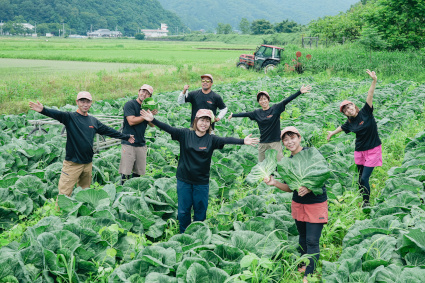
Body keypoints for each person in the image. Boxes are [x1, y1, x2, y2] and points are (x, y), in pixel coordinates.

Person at [140, 108, 259, 233]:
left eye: (207, 121)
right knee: (183, 210)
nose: (204, 123)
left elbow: (226, 140)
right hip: (184, 180)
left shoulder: (211, 139)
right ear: (195, 121)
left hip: (201, 182)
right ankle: (184, 233)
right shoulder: (185, 134)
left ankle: (198, 233)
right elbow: (169, 128)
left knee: (200, 210)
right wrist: (153, 120)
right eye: (202, 120)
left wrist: (243, 141)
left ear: (210, 124)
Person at [29, 91, 135, 198]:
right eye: (82, 101)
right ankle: (59, 212)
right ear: (77, 102)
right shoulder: (70, 117)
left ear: (91, 103)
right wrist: (43, 110)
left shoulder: (93, 121)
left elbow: (109, 131)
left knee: (85, 193)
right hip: (72, 164)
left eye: (87, 102)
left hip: (87, 164)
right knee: (64, 194)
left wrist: (126, 137)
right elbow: (56, 114)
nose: (85, 104)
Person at [264, 126, 327, 283]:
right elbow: (289, 187)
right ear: (283, 143)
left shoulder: (312, 153)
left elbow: (324, 173)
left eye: (292, 138)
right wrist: (274, 183)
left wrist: (310, 186)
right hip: (298, 204)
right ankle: (304, 265)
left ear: (299, 138)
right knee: (303, 237)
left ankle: (308, 277)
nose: (289, 141)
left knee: (312, 240)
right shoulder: (287, 163)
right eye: (285, 139)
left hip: (316, 203)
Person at [326, 69, 381, 207]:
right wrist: (332, 133)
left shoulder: (366, 112)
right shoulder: (350, 122)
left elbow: (370, 94)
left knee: (364, 177)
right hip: (359, 151)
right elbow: (342, 128)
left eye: (349, 107)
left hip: (373, 149)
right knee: (359, 178)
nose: (348, 110)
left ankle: (366, 203)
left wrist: (374, 80)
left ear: (354, 106)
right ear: (345, 114)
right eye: (345, 110)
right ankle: (362, 195)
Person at [228, 85, 312, 162]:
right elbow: (245, 114)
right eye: (261, 99)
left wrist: (299, 92)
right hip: (263, 142)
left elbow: (286, 100)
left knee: (280, 163)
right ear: (259, 102)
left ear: (268, 100)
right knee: (262, 164)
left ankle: (279, 178)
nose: (263, 101)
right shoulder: (257, 113)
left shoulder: (275, 108)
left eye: (265, 99)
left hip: (275, 142)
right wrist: (233, 115)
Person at [119, 84, 158, 185]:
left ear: (150, 96)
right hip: (129, 143)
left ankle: (135, 192)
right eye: (143, 91)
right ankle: (123, 193)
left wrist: (151, 115)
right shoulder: (130, 104)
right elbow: (131, 121)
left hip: (141, 143)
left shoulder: (147, 107)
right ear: (138, 91)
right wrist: (145, 116)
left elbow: (152, 125)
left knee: (138, 173)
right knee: (125, 173)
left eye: (147, 93)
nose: (144, 94)